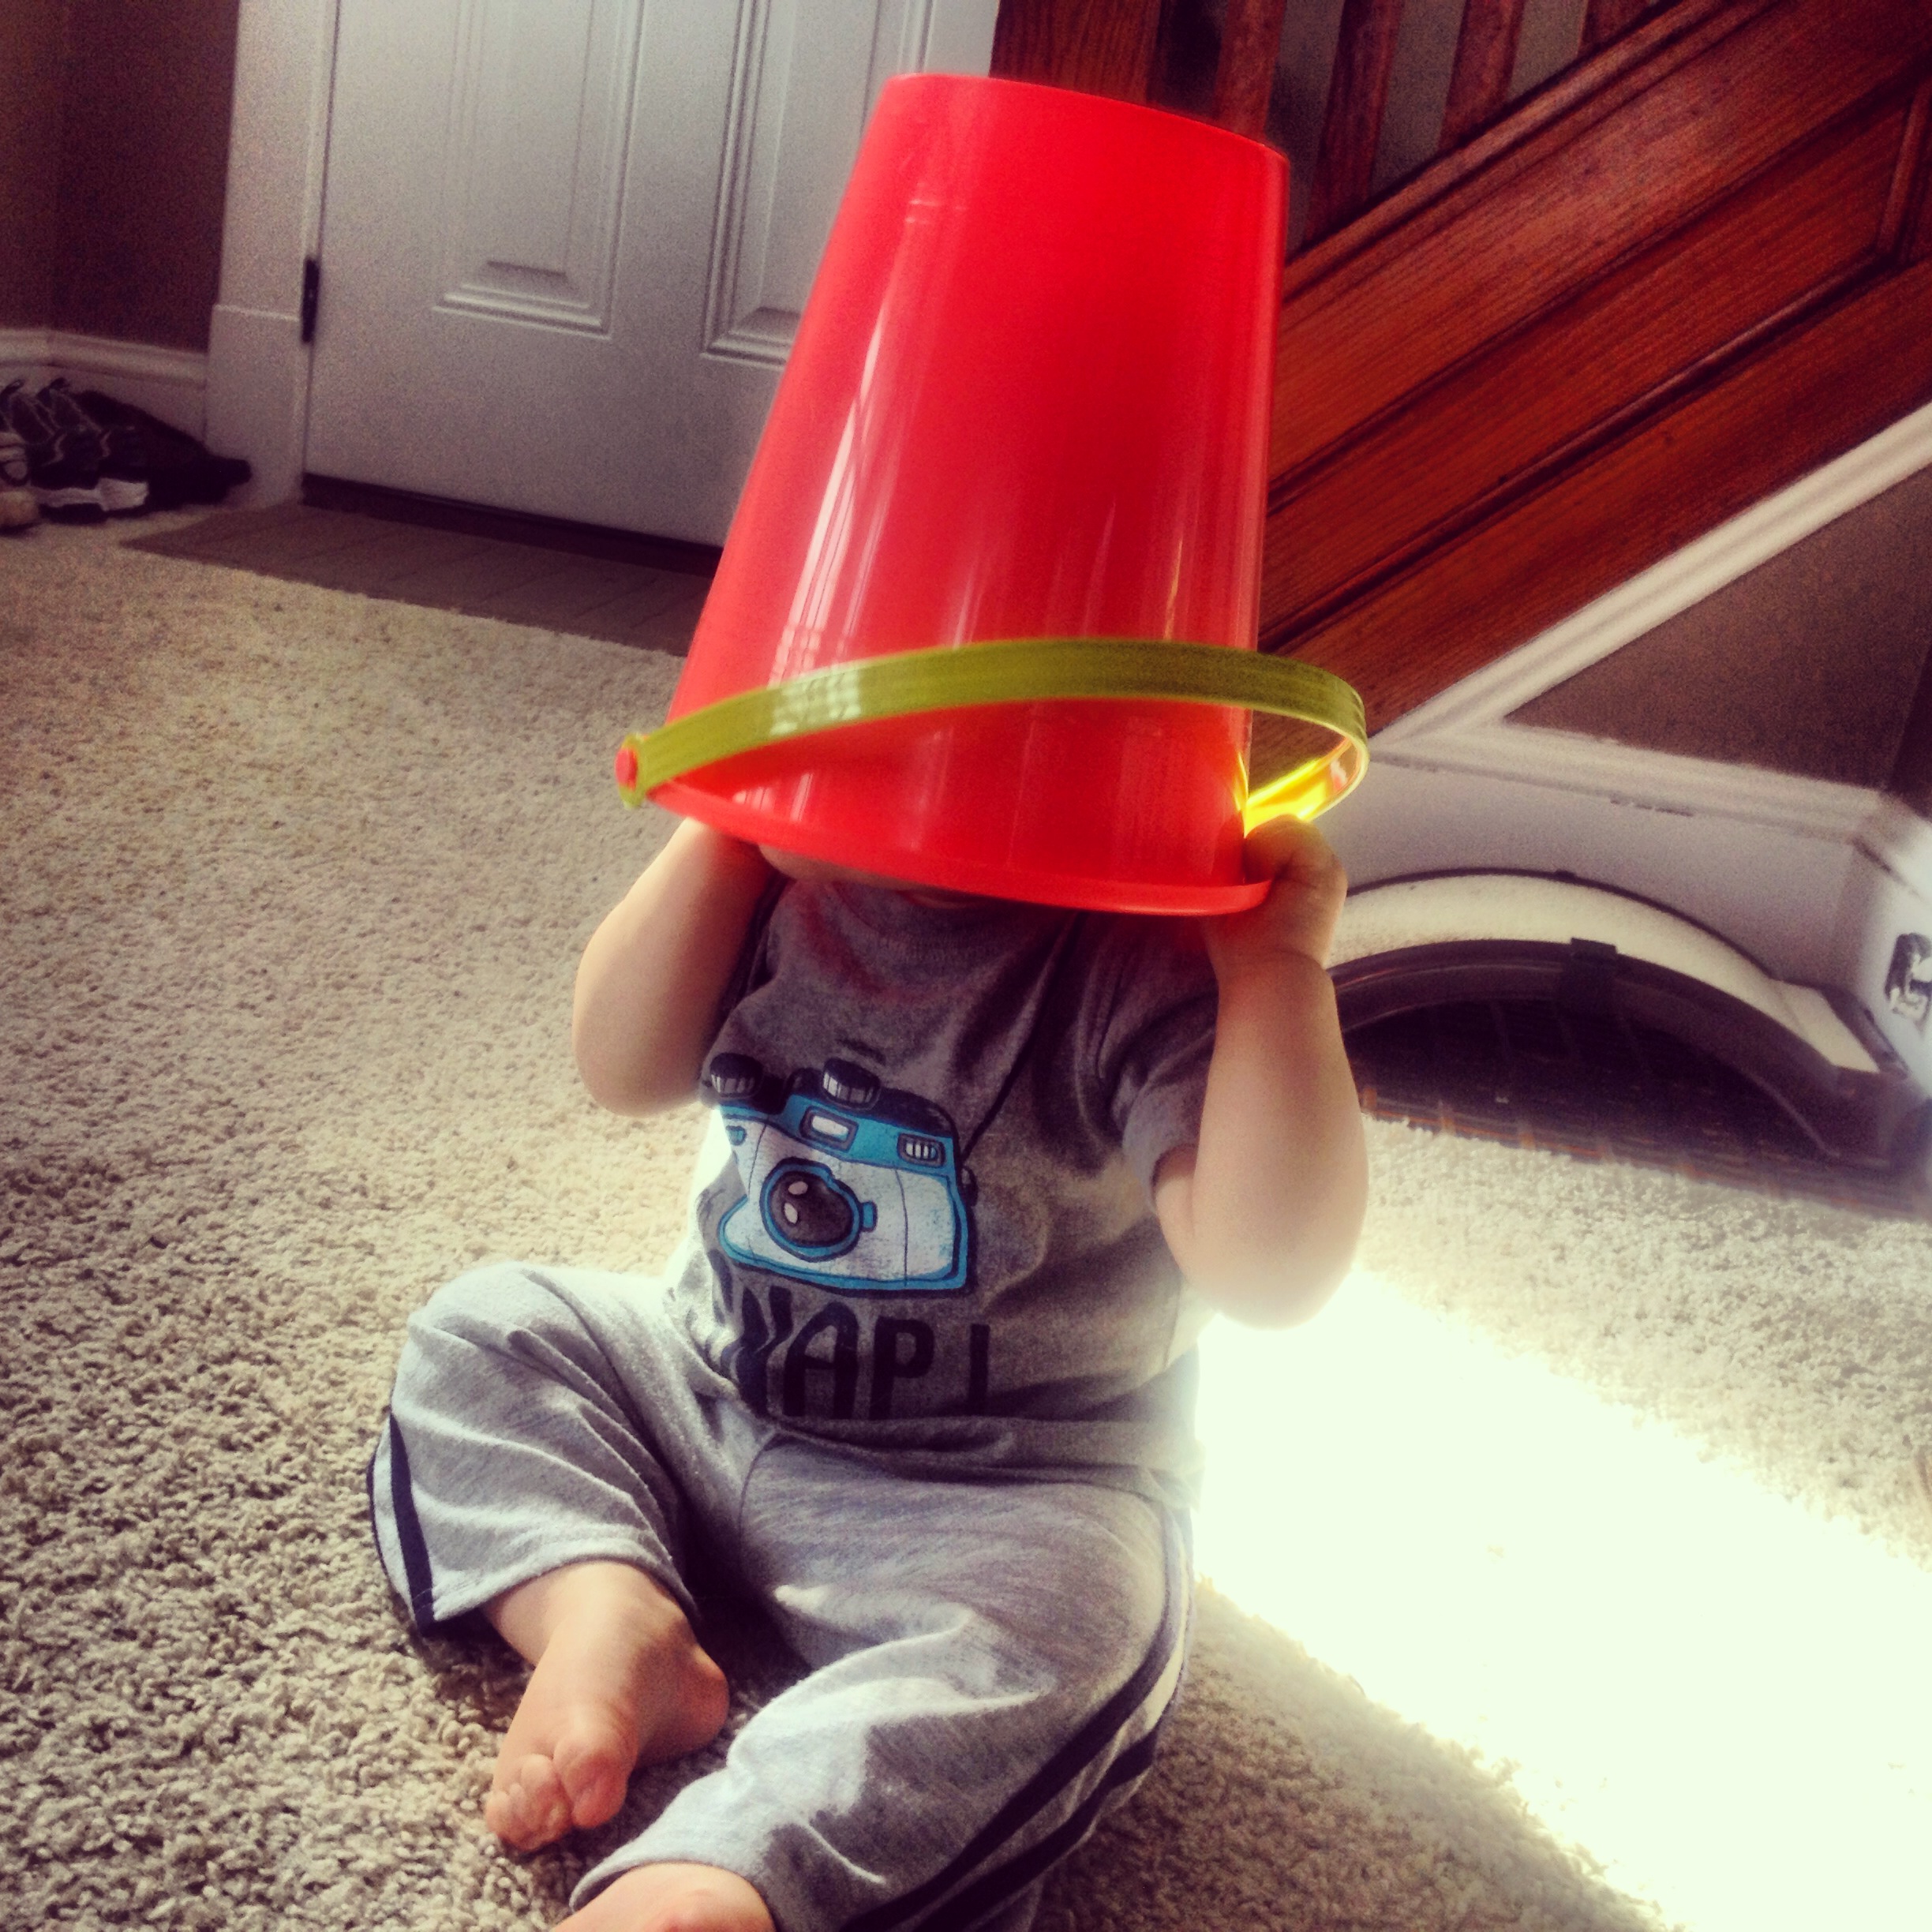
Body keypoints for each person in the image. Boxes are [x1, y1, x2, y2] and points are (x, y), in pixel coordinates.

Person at [369, 809, 1367, 1932]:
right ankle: (604, 1606)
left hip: (1001, 1489)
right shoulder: (775, 877)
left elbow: (1270, 1270)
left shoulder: (1145, 960)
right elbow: (620, 1066)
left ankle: (739, 1869)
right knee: (485, 1328)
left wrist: (1274, 974)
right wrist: (725, 824)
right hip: (706, 1385)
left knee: (1090, 1626)